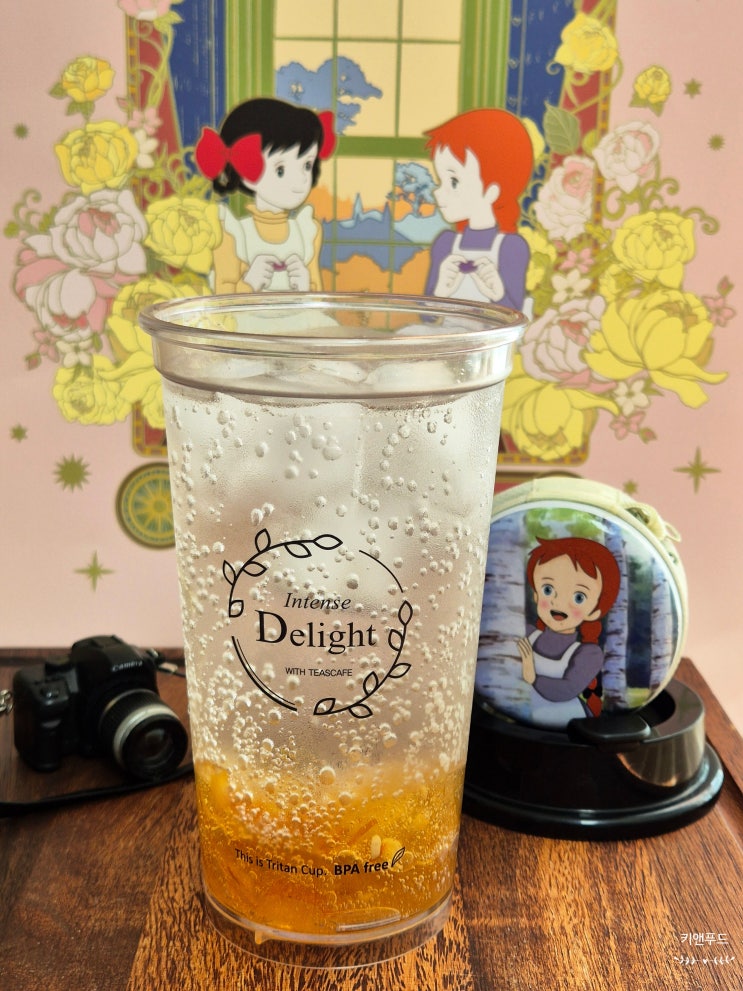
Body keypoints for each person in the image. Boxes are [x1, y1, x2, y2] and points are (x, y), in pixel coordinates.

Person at [195, 98, 336, 293]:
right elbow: (222, 295)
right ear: (246, 171)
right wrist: (250, 284)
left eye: (307, 165)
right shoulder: (233, 233)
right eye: (280, 170)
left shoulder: (307, 232)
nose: (301, 179)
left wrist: (305, 288)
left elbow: (317, 295)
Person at [423, 108, 533, 310]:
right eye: (440, 180)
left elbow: (515, 316)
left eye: (453, 182)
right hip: (449, 330)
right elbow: (426, 316)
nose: (438, 192)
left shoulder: (511, 247)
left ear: (491, 191)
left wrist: (498, 294)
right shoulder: (445, 243)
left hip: (490, 332)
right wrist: (440, 292)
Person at [518, 536, 621, 727]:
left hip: (570, 721)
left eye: (578, 597)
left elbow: (567, 689)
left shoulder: (588, 653)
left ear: (595, 611)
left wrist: (532, 677)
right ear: (535, 594)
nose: (558, 603)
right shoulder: (526, 632)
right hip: (522, 717)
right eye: (548, 589)